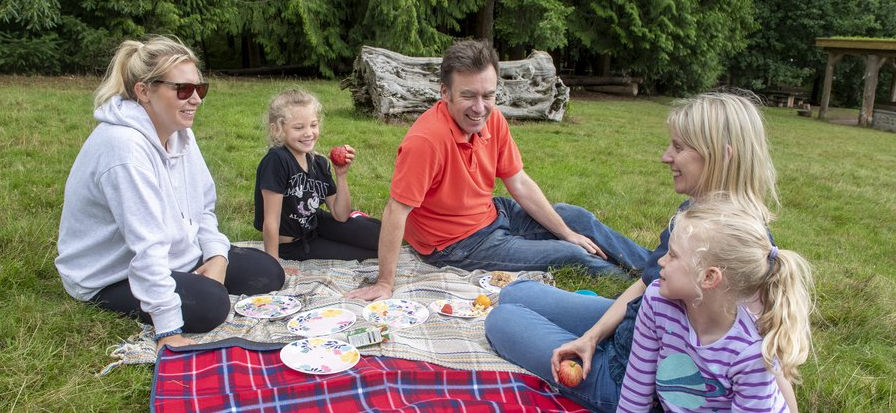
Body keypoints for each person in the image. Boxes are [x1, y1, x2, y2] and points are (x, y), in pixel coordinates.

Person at [485, 92, 799, 412]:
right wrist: (592, 336)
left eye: (678, 147)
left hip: (627, 378)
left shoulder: (739, 249)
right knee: (516, 293)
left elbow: (768, 355)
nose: (666, 156)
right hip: (634, 330)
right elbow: (648, 284)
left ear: (721, 156)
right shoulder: (695, 215)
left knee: (502, 318)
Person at [345, 40, 648, 301]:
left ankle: (657, 269)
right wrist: (385, 282)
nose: (480, 107)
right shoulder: (426, 141)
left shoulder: (494, 120)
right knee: (571, 254)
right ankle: (646, 293)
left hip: (493, 213)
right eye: (468, 96)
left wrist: (567, 231)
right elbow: (396, 211)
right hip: (456, 245)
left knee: (577, 219)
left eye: (487, 95)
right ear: (445, 93)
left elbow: (518, 181)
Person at [55, 35, 285, 350]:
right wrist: (168, 328)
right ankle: (164, 295)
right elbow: (145, 245)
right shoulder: (123, 149)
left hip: (174, 257)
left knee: (268, 273)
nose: (196, 99)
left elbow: (204, 208)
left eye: (200, 88)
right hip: (110, 274)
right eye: (183, 90)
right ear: (144, 91)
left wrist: (217, 256)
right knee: (210, 305)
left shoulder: (180, 134)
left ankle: (192, 274)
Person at [618, 199, 812, 411]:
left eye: (673, 255)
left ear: (709, 277)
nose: (661, 261)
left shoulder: (750, 353)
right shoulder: (657, 301)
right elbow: (635, 391)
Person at [253, 88, 381, 261]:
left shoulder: (319, 163)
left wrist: (341, 175)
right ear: (277, 130)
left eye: (313, 125)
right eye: (299, 127)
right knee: (370, 255)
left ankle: (358, 219)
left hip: (315, 224)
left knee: (381, 236)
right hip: (293, 243)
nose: (308, 133)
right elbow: (271, 221)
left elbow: (340, 215)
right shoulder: (277, 160)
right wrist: (273, 263)